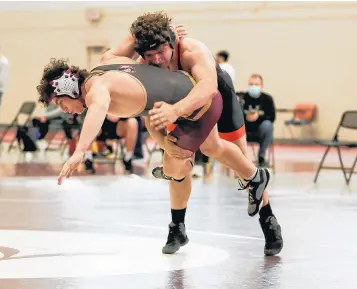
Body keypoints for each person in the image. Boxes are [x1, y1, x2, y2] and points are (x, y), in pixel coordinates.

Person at [36, 55, 270, 247]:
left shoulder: (96, 87)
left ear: (68, 88)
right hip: (186, 102)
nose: (65, 110)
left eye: (60, 103)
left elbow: (97, 109)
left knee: (174, 165)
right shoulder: (105, 63)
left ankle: (183, 181)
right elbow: (147, 105)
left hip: (196, 106)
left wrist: (80, 151)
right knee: (210, 147)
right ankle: (254, 175)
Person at [102, 11, 283, 256]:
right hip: (181, 106)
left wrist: (175, 111)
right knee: (179, 160)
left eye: (161, 51)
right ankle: (177, 226)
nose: (158, 60)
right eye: (150, 55)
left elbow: (208, 87)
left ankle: (268, 219)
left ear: (172, 40)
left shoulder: (191, 51)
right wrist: (165, 145)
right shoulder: (146, 64)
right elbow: (110, 64)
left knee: (235, 160)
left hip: (218, 98)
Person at [240, 74, 276, 166]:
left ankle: (261, 157)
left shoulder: (267, 99)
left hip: (260, 131)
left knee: (268, 125)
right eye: (251, 84)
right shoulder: (242, 98)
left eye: (256, 85)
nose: (253, 87)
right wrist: (245, 116)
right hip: (244, 131)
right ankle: (239, 158)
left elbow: (272, 117)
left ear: (261, 86)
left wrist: (258, 117)